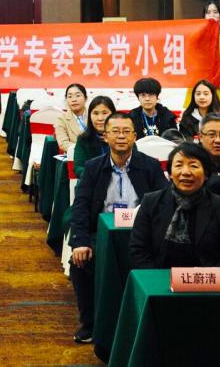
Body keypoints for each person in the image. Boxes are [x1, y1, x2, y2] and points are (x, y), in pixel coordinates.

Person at [68, 112, 169, 344]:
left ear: (135, 136)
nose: (121, 136)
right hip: (101, 235)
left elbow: (165, 204)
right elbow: (80, 206)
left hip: (142, 235)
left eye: (126, 132)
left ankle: (148, 323)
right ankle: (90, 323)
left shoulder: (150, 166)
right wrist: (80, 241)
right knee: (80, 263)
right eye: (115, 131)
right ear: (105, 137)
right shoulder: (93, 167)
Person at [129, 142, 220, 268]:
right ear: (170, 173)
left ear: (206, 173)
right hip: (160, 275)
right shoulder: (151, 202)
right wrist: (157, 276)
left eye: (193, 166)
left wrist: (212, 275)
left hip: (206, 277)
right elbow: (138, 250)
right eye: (178, 165)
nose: (186, 172)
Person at [72, 95, 116, 178]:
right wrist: (96, 175)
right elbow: (78, 168)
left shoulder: (124, 136)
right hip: (93, 182)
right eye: (95, 113)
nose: (100, 118)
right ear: (90, 116)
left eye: (104, 113)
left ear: (113, 115)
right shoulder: (83, 139)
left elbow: (134, 163)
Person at [53, 83, 88, 153]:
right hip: (74, 156)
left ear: (86, 98)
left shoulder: (94, 115)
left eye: (78, 95)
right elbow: (63, 143)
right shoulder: (61, 119)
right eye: (70, 96)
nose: (74, 100)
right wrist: (83, 149)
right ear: (66, 100)